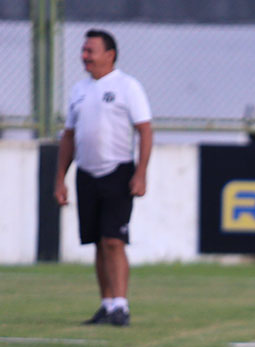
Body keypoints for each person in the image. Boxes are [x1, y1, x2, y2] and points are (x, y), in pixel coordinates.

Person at [54, 29, 153, 327]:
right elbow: (69, 136)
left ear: (109, 55)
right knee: (97, 242)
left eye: (90, 51)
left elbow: (145, 131)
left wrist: (140, 173)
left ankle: (122, 305)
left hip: (118, 172)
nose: (84, 56)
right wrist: (60, 179)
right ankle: (106, 304)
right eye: (83, 50)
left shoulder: (128, 87)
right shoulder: (79, 90)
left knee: (114, 240)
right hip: (87, 174)